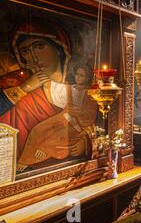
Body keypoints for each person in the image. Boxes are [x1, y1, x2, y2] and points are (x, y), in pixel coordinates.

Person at [0, 20, 97, 172]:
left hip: (71, 170)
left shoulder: (80, 90)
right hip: (25, 173)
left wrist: (85, 143)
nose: (33, 56)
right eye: (25, 51)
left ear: (59, 48)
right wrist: (24, 88)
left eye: (39, 46)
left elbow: (89, 122)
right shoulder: (17, 85)